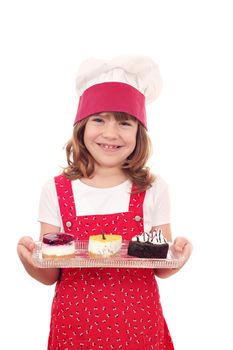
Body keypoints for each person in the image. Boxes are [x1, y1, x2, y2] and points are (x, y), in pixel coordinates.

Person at [17, 55, 192, 350]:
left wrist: (179, 257)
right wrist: (28, 260)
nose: (110, 133)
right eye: (99, 120)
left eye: (124, 123)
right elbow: (49, 275)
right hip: (74, 331)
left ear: (139, 133)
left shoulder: (153, 189)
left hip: (140, 329)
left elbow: (160, 266)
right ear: (82, 127)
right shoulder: (56, 190)